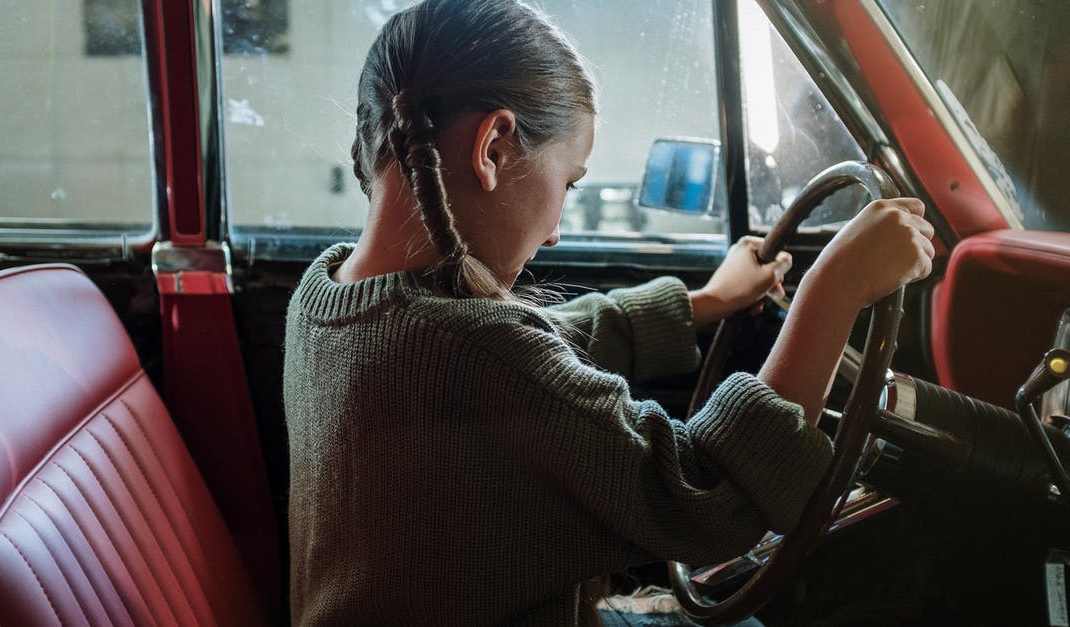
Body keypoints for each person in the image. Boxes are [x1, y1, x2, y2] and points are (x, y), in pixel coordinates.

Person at [281, 0, 936, 624]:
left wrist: (708, 301)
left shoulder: (326, 299)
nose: (557, 231)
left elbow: (540, 345)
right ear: (493, 149)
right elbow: (712, 499)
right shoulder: (475, 354)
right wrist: (835, 289)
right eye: (568, 183)